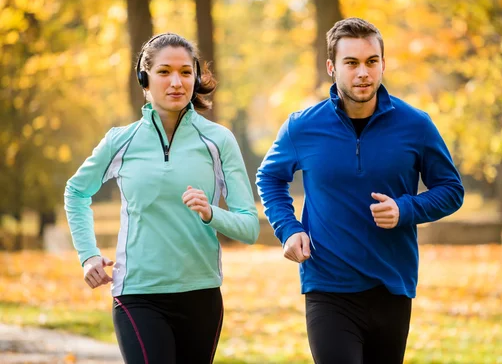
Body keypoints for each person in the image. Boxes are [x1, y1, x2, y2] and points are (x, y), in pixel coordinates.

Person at [256, 18, 464, 363]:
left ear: (383, 63)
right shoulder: (302, 126)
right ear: (331, 67)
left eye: (371, 61)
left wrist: (406, 209)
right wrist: (289, 229)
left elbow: (451, 189)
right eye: (351, 63)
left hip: (392, 285)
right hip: (328, 286)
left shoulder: (416, 125)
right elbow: (269, 178)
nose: (363, 73)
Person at [64, 33, 259, 364]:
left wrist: (211, 213)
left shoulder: (218, 140)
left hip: (201, 295)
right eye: (165, 71)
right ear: (145, 78)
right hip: (138, 293)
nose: (177, 82)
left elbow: (249, 227)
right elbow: (76, 192)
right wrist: (88, 255)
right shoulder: (121, 141)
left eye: (185, 72)